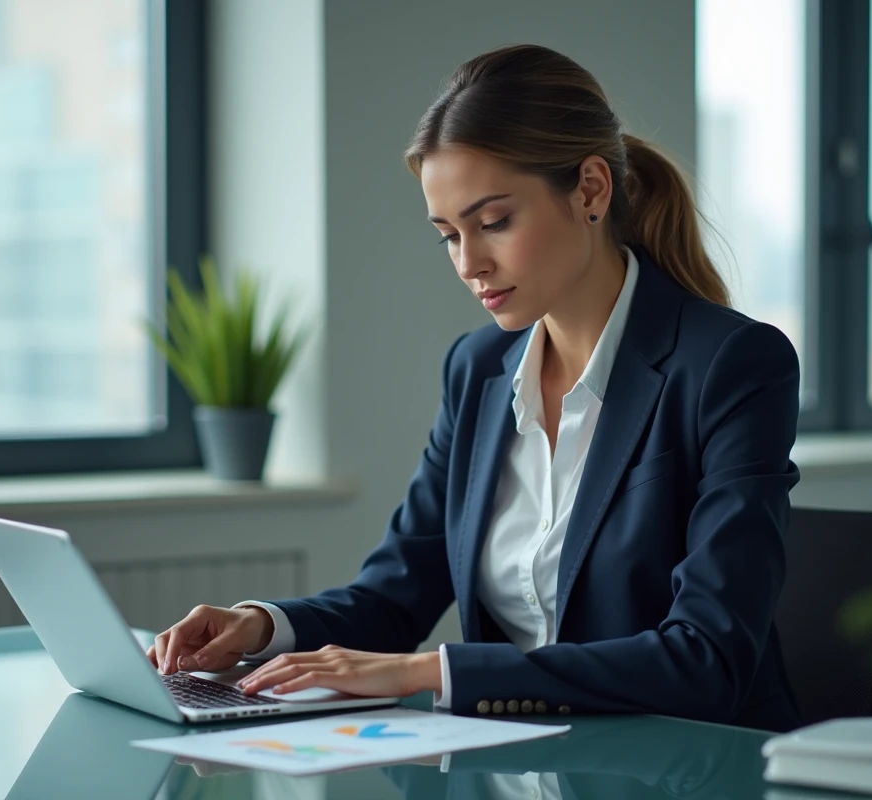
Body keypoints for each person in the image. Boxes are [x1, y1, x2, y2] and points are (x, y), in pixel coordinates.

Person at [147, 43, 803, 733]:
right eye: (448, 236)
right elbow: (395, 592)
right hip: (522, 762)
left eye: (493, 223)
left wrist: (428, 671)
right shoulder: (479, 369)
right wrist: (258, 626)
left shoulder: (732, 364)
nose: (470, 262)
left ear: (590, 190)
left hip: (687, 769)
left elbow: (707, 659)